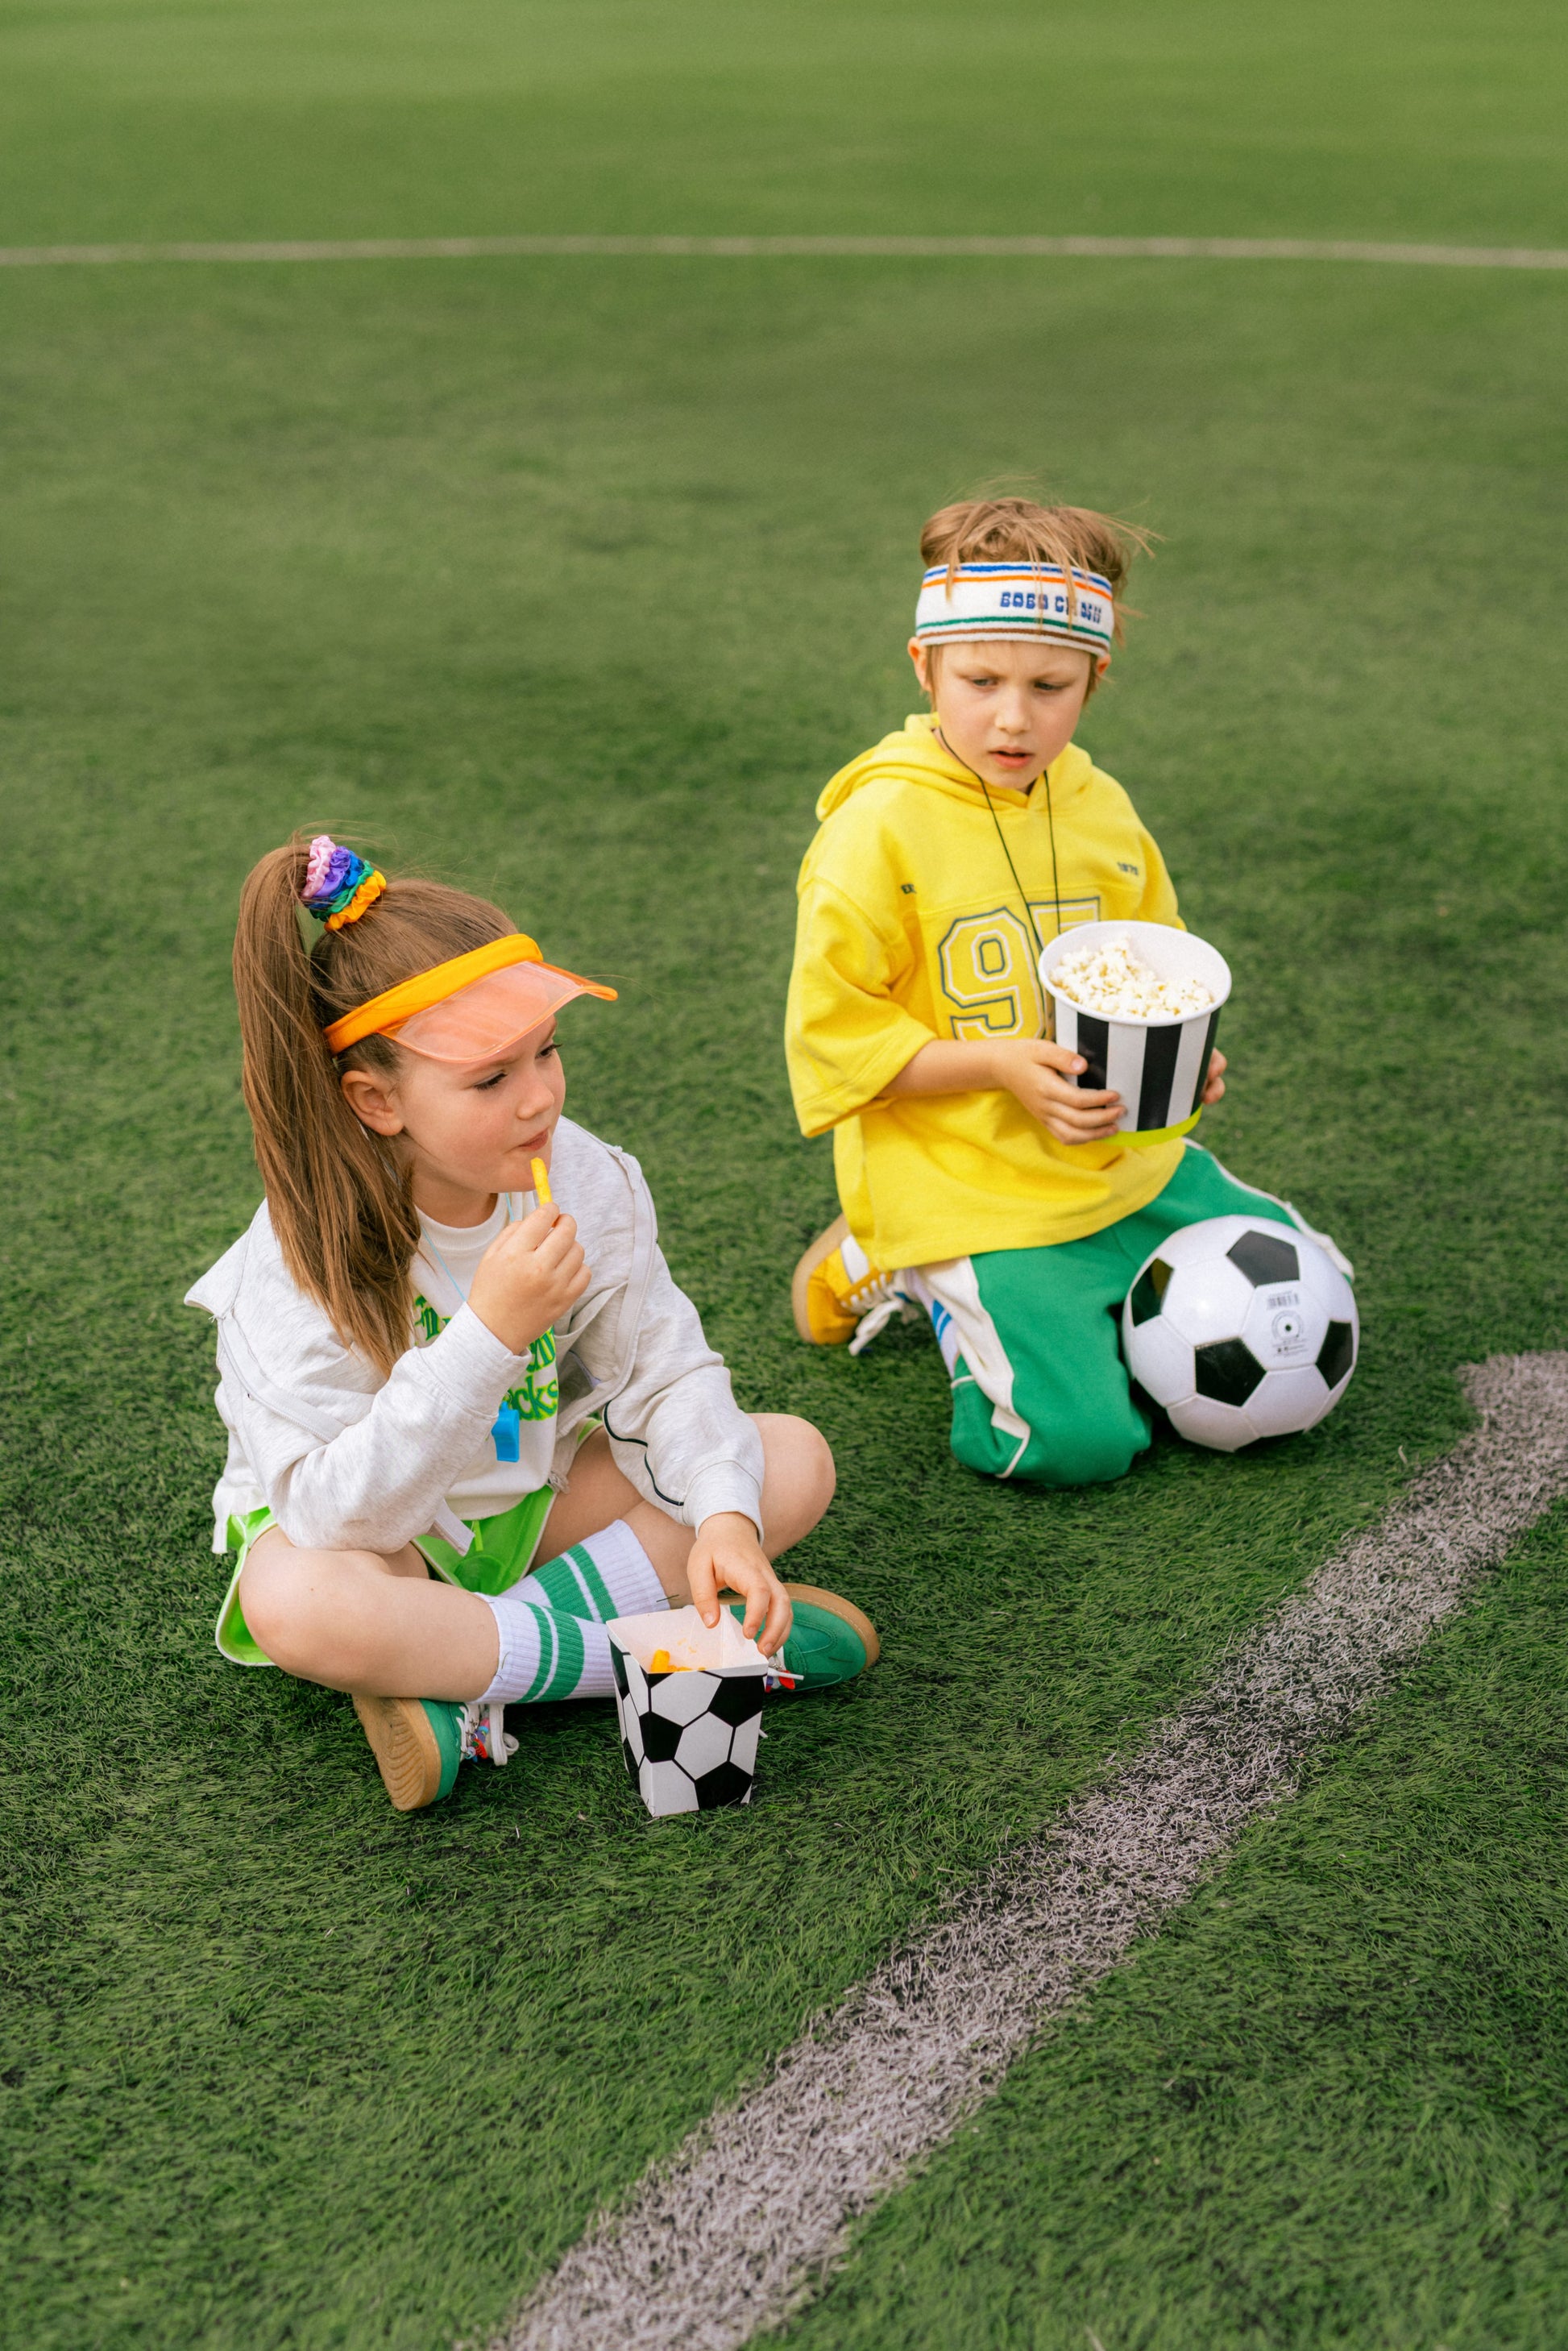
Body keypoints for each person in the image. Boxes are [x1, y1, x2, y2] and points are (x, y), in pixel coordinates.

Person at [188, 835, 876, 1812]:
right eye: (488, 1079)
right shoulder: (298, 1254)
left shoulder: (586, 1179)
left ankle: (461, 1670)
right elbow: (339, 1514)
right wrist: (490, 1333)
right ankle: (665, 1658)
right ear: (376, 1100)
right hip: (378, 1538)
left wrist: (722, 1512)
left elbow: (663, 1374)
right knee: (294, 1602)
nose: (540, 1097)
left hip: (528, 1503)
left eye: (544, 1051)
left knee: (788, 1460)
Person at [785, 496, 1349, 1486]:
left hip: (1116, 1157)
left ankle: (1065, 1289)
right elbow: (835, 1039)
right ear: (924, 667)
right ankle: (894, 1255)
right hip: (969, 1185)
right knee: (1072, 1446)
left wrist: (1188, 1050)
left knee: (1319, 1283)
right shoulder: (871, 833)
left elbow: (1158, 957)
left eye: (1049, 684)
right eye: (980, 679)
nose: (1013, 715)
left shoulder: (1098, 805)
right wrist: (1000, 1065)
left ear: (1093, 678)